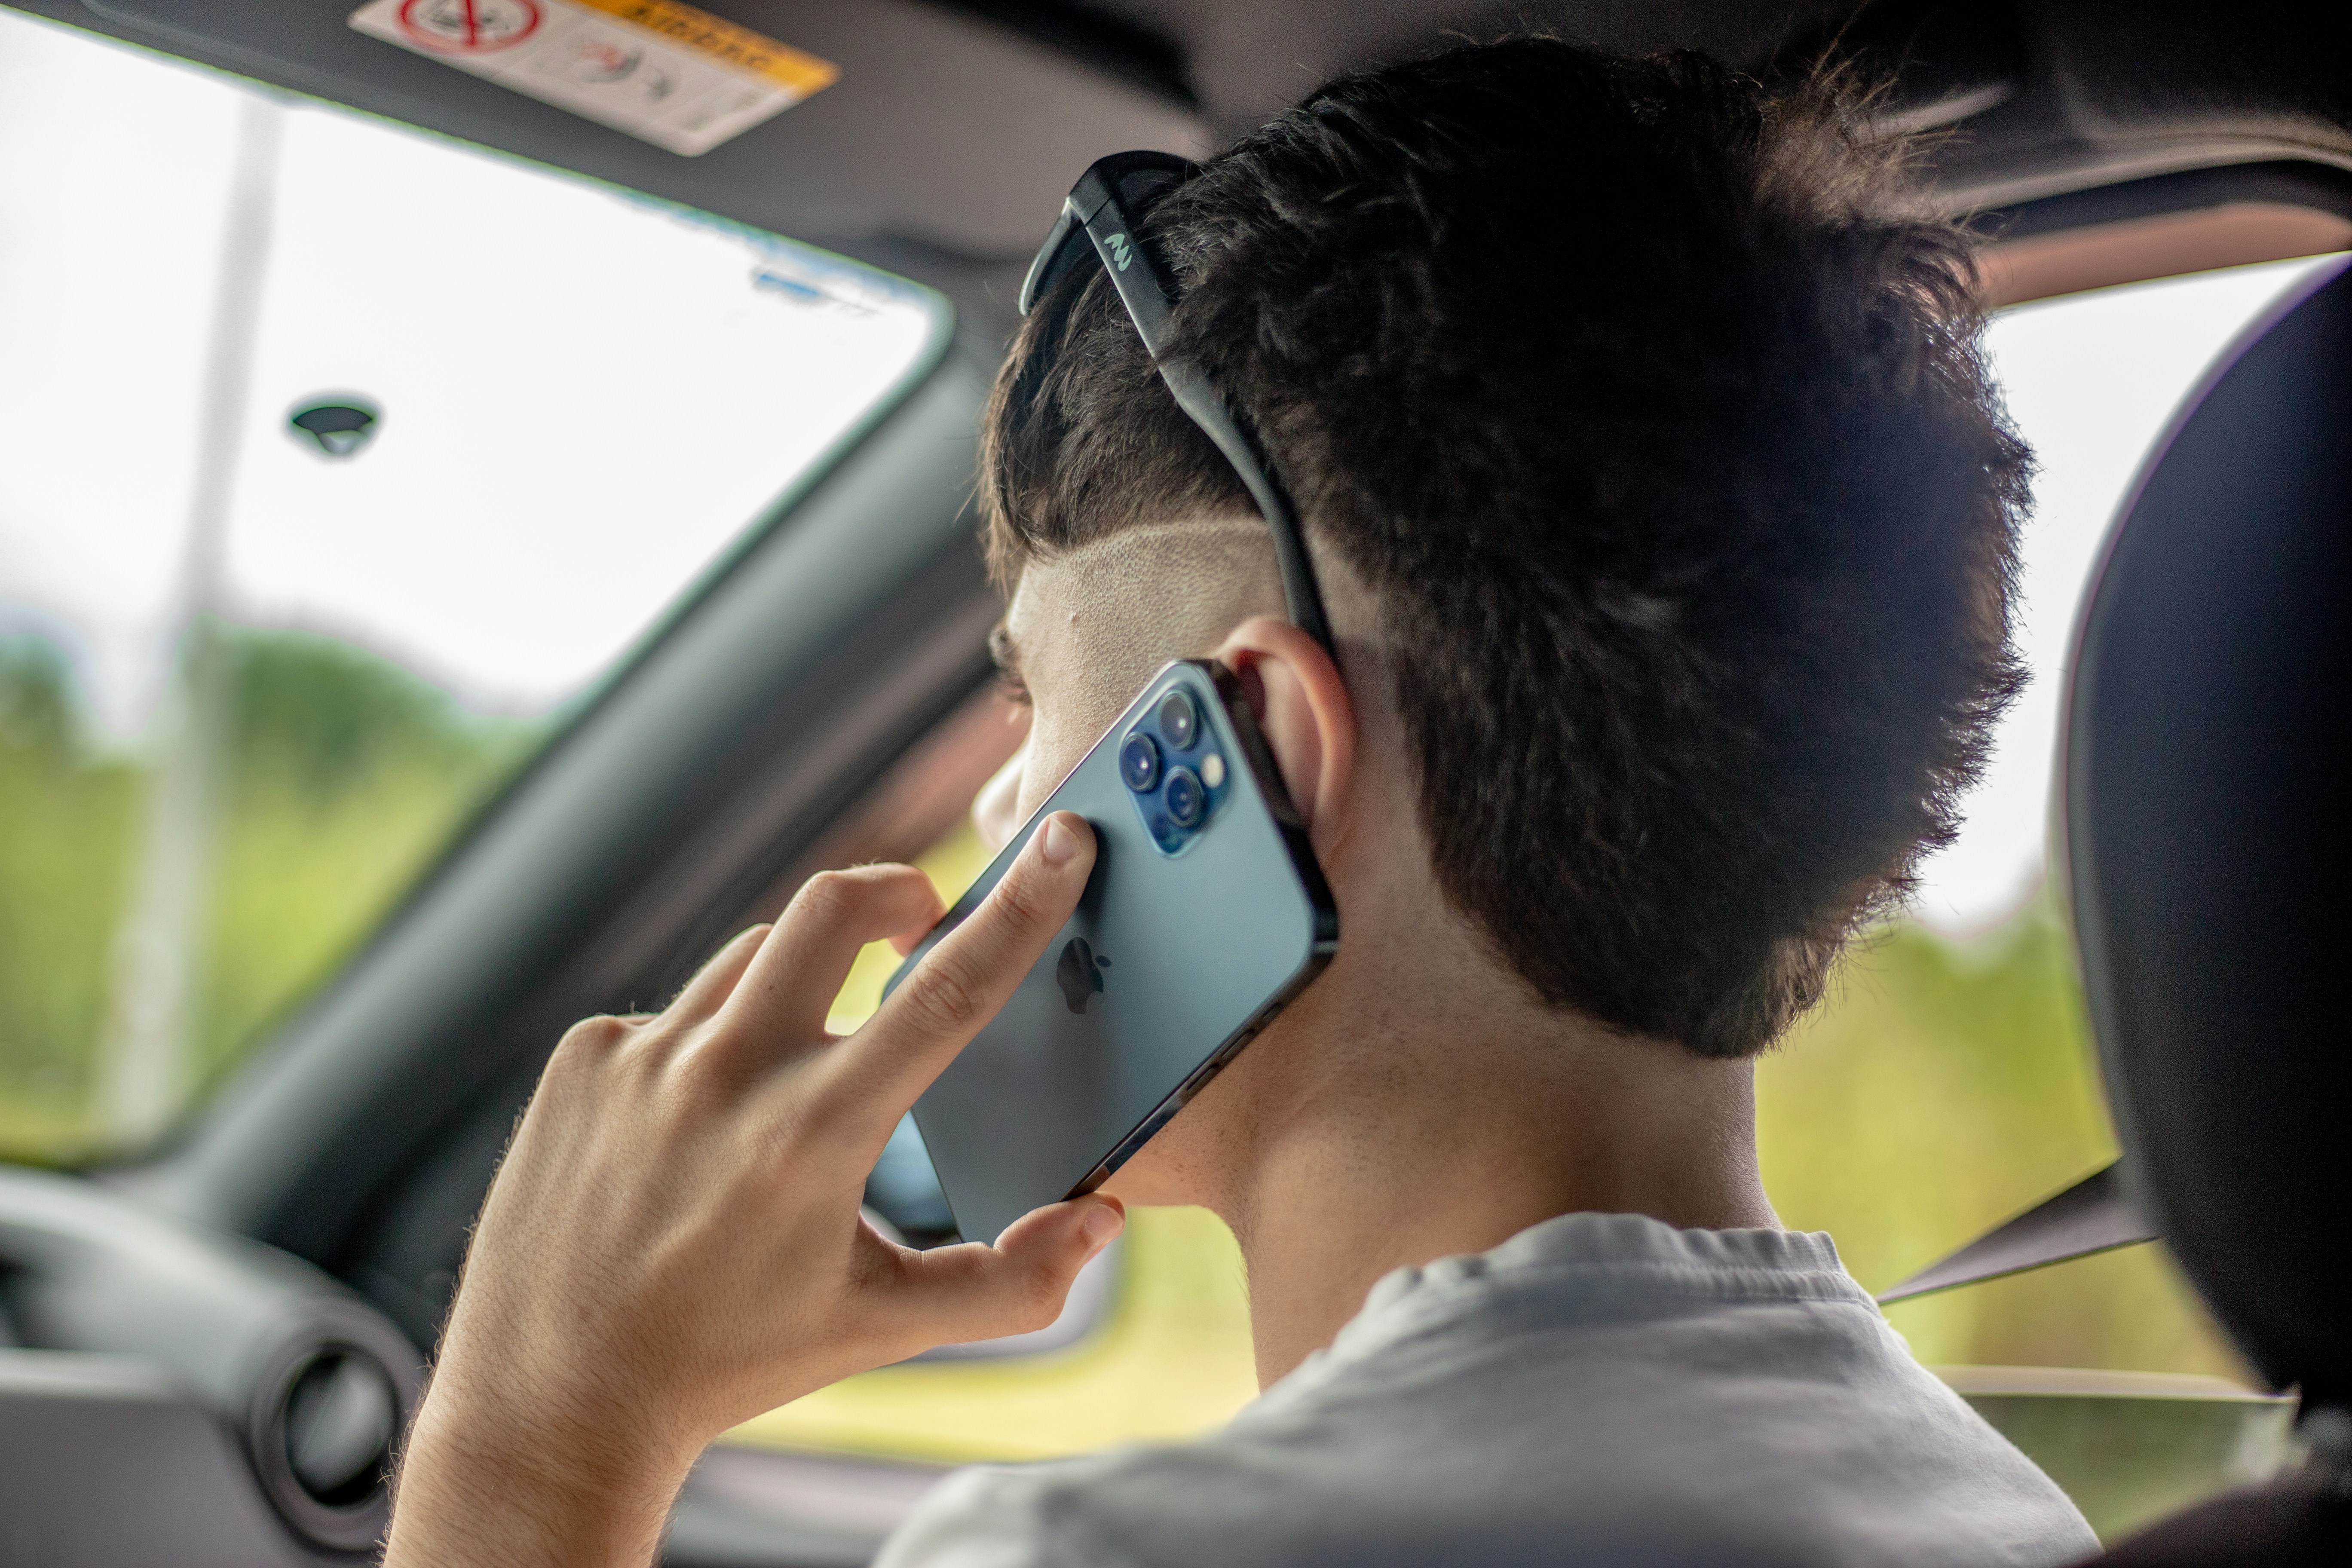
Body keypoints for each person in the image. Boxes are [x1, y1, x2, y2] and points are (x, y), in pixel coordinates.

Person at [383, 39, 2099, 1568]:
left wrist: (536, 1444)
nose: (997, 806)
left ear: (1261, 754)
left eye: (1033, 698)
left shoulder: (1082, 1551)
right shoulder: (2017, 1520)